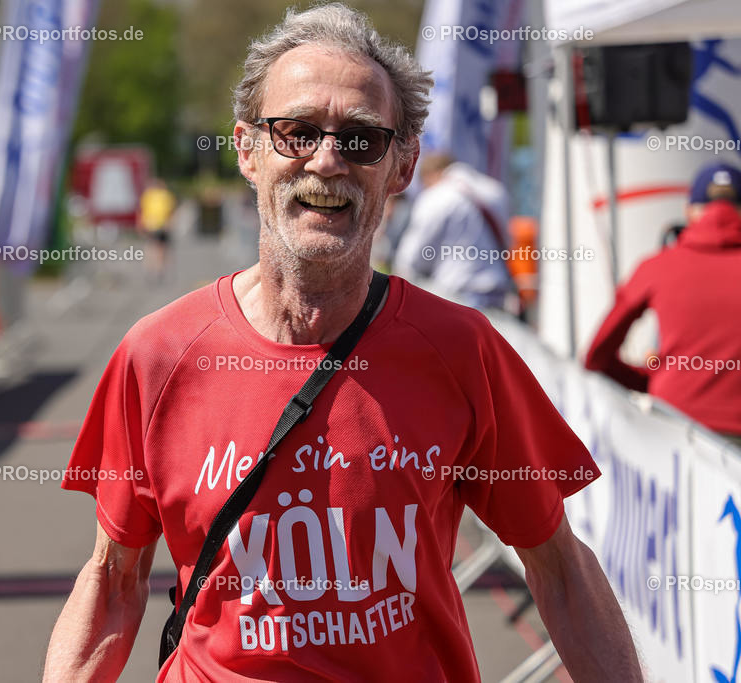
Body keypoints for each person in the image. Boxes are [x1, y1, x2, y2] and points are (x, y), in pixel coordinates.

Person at [44, 5, 640, 682]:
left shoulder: (460, 348)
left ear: (403, 165)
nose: (327, 159)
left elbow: (558, 567)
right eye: (296, 131)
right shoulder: (157, 355)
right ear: (246, 149)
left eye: (361, 139)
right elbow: (112, 581)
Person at [585, 162, 741, 445]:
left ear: (690, 211)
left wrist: (652, 382)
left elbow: (596, 355)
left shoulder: (656, 266)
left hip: (674, 428)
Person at [392, 153, 516, 310]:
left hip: (456, 294)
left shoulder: (435, 196)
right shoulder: (496, 191)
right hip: (498, 293)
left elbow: (410, 259)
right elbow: (508, 242)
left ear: (430, 176)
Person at [139, 178, 176, 280]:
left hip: (151, 225)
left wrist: (141, 223)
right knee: (160, 249)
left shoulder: (148, 195)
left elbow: (142, 211)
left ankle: (152, 269)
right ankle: (158, 269)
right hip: (160, 225)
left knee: (152, 248)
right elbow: (171, 211)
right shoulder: (164, 195)